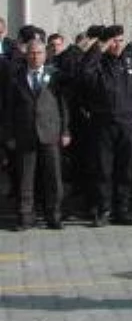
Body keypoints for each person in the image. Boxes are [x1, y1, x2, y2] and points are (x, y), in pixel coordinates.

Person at [80, 25, 132, 227]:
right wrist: (98, 48)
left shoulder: (128, 61)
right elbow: (85, 73)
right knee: (104, 169)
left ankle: (122, 210)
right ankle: (103, 210)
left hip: (127, 122)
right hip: (104, 123)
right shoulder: (97, 62)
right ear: (106, 43)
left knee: (126, 169)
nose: (117, 44)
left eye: (120, 40)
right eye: (113, 40)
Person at [6, 39, 70, 230]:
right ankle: (26, 216)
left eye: (39, 53)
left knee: (53, 177)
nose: (35, 56)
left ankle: (54, 215)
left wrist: (65, 130)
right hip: (25, 134)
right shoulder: (17, 77)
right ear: (26, 55)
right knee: (25, 178)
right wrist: (9, 135)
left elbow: (63, 106)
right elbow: (9, 109)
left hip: (50, 132)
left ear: (45, 55)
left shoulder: (55, 76)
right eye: (32, 53)